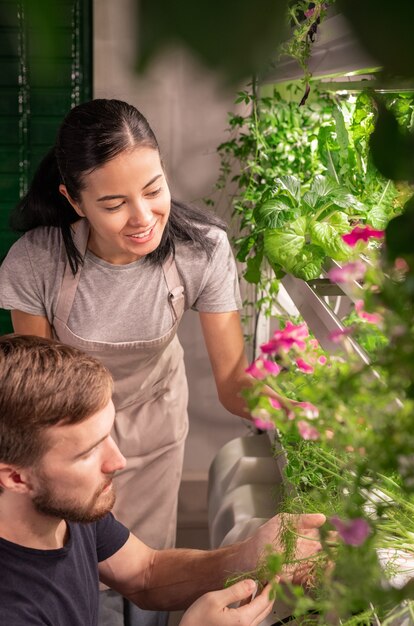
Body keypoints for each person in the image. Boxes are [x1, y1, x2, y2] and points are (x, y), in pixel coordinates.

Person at [0, 98, 280, 626]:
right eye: (114, 204)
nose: (143, 217)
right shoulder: (37, 262)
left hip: (154, 419)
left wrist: (303, 413)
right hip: (68, 435)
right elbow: (36, 401)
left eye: (154, 190)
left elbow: (233, 383)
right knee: (87, 575)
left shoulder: (202, 251)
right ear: (73, 201)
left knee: (146, 567)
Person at [0, 334, 326, 626]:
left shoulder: (67, 508)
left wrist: (249, 555)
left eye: (108, 434)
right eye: (87, 453)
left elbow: (145, 573)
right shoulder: (13, 608)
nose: (118, 461)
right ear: (14, 476)